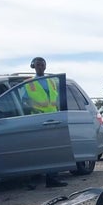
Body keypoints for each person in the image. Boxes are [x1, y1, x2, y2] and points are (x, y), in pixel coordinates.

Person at [29, 57, 68, 187]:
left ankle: (52, 179)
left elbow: (57, 100)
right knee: (37, 152)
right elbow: (24, 102)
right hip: (37, 121)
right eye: (38, 65)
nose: (40, 67)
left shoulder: (52, 81)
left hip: (53, 120)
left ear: (45, 66)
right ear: (33, 66)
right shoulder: (29, 83)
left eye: (42, 65)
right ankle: (34, 180)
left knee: (54, 151)